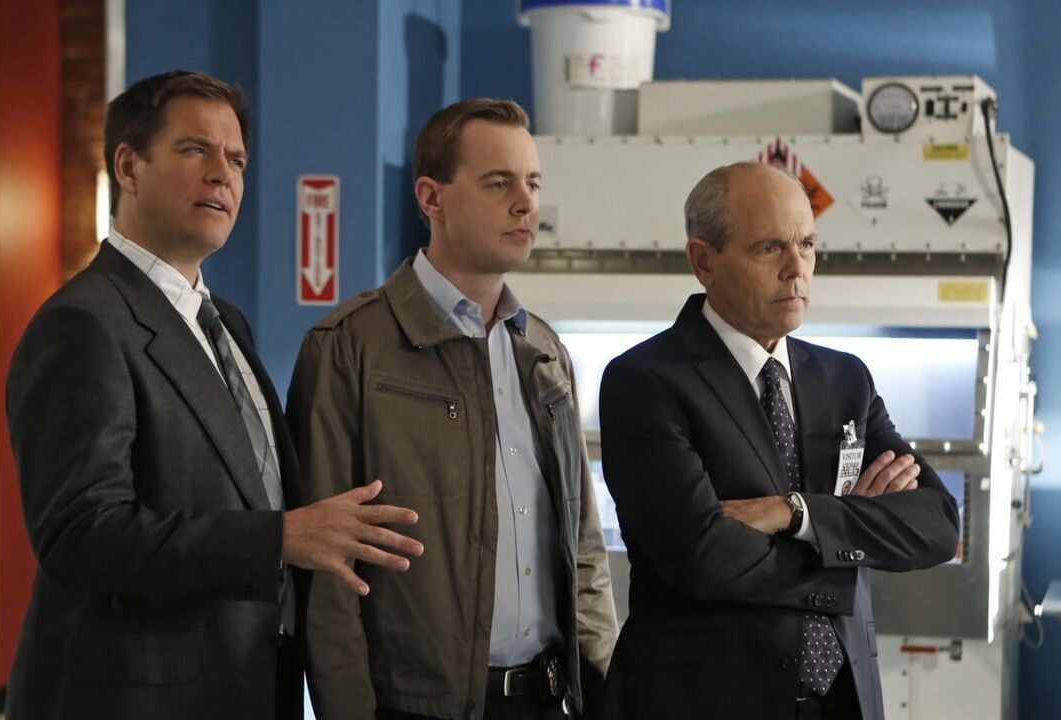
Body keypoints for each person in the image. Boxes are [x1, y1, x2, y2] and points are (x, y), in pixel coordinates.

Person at [5, 70, 423, 720]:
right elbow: (81, 536)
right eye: (195, 149)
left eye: (236, 160)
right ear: (129, 166)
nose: (222, 175)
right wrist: (278, 538)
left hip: (245, 686)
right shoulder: (84, 323)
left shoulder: (226, 321)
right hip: (135, 700)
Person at [287, 98, 617, 720]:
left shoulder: (545, 352)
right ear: (431, 198)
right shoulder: (349, 347)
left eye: (533, 183)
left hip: (546, 700)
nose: (525, 203)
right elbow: (326, 577)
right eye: (498, 183)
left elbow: (583, 548)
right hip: (416, 708)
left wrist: (606, 693)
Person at [597, 162, 961, 720]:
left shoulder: (845, 379)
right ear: (703, 261)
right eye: (769, 248)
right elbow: (705, 557)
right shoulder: (646, 380)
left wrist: (794, 513)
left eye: (807, 245)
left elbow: (937, 525)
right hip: (707, 703)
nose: (796, 270)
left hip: (842, 702)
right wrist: (849, 542)